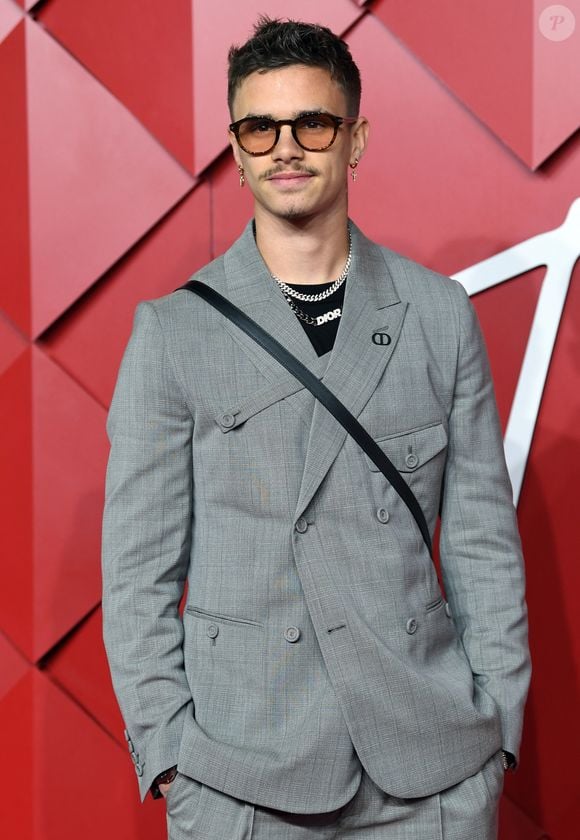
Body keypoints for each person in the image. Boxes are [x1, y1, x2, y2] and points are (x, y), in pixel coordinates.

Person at [101, 16, 531, 839]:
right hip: (241, 774)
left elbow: (482, 543)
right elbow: (136, 571)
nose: (285, 148)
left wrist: (496, 733)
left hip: (431, 771)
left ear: (356, 139)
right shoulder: (173, 333)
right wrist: (170, 755)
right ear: (235, 149)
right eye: (259, 127)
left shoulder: (437, 315)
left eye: (313, 123)